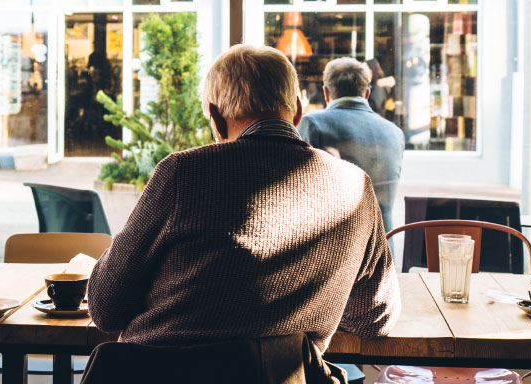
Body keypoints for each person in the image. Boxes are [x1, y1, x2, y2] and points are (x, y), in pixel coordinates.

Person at [88, 45, 400, 355]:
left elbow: (105, 308)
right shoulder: (355, 187)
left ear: (216, 119)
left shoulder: (182, 173)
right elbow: (376, 318)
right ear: (298, 110)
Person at [298, 57, 404, 232]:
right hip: (384, 247)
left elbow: (302, 192)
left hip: (336, 248)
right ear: (367, 94)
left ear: (325, 93)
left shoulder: (313, 124)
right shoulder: (395, 133)